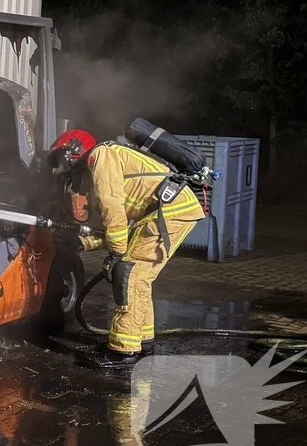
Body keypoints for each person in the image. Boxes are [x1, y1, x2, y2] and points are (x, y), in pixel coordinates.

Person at [47, 129, 204, 369]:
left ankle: (123, 352)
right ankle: (142, 340)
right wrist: (85, 242)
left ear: (74, 151)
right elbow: (115, 226)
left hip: (169, 213)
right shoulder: (103, 162)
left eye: (61, 161)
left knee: (129, 275)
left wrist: (117, 253)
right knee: (139, 279)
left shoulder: (101, 157)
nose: (64, 173)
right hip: (164, 213)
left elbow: (114, 212)